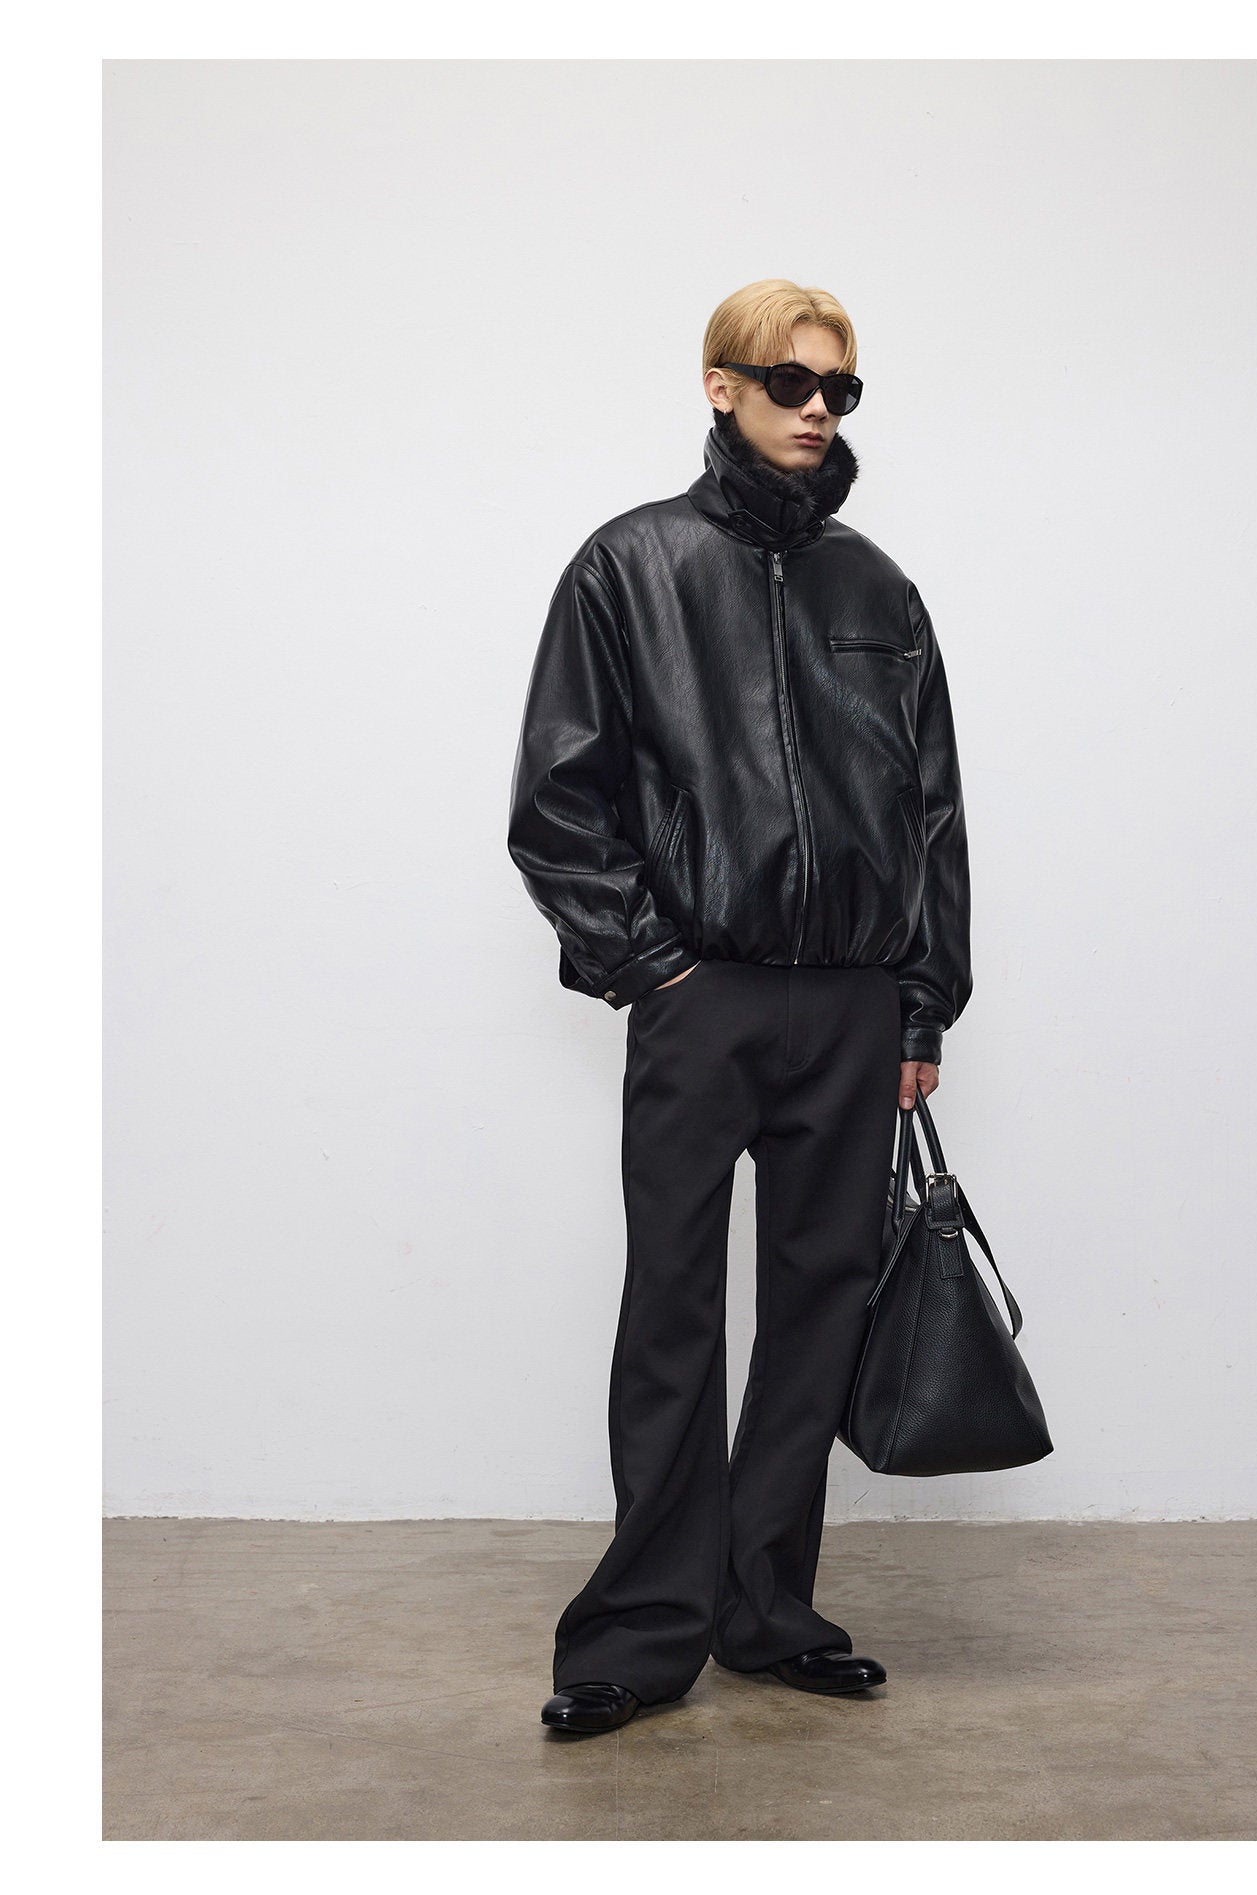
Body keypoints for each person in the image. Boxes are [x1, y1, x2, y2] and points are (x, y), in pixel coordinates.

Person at [507, 279, 972, 1734]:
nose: (817, 408)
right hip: (700, 998)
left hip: (851, 1008)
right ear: (721, 385)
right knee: (673, 1312)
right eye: (790, 381)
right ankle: (640, 1632)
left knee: (819, 1311)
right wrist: (654, 964)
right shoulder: (630, 566)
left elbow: (933, 815)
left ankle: (766, 1609)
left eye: (840, 388)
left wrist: (919, 1008)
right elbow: (557, 802)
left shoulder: (878, 590)